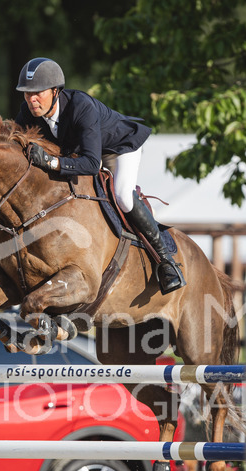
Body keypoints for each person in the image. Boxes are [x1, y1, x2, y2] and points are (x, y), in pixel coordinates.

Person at [14, 57, 185, 294]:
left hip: (118, 148)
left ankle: (166, 261)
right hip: (80, 153)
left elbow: (93, 164)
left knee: (123, 197)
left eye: (38, 93)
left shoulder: (80, 106)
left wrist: (52, 162)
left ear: (55, 91)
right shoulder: (27, 112)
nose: (31, 99)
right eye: (27, 93)